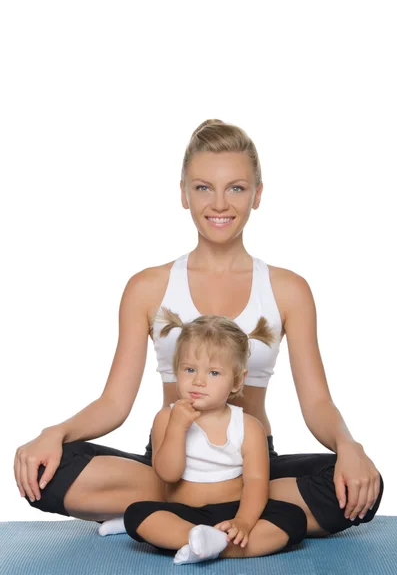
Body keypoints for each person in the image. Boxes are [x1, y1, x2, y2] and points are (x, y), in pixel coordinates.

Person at [14, 119, 383, 542]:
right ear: (184, 194)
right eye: (204, 187)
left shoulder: (288, 290)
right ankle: (230, 519)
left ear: (257, 195)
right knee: (46, 472)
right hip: (166, 469)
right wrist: (53, 433)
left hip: (251, 469)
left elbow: (317, 401)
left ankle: (162, 518)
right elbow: (114, 402)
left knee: (360, 489)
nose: (220, 203)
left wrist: (348, 445)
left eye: (237, 188)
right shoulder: (147, 287)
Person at [102, 307, 308, 564]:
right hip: (183, 512)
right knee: (137, 514)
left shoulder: (249, 426)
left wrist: (243, 522)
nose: (199, 381)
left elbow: (256, 482)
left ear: (237, 381)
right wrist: (177, 428)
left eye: (213, 373)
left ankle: (208, 542)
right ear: (176, 370)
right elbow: (168, 474)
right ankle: (199, 539)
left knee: (293, 519)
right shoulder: (166, 418)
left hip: (233, 510)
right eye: (189, 370)